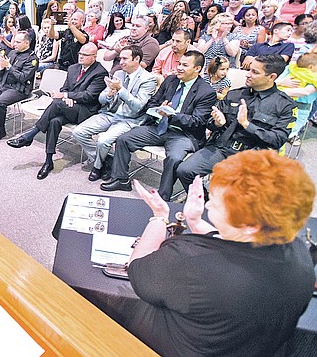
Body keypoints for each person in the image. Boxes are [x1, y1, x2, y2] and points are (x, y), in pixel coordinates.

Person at [125, 149, 315, 356]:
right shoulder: (300, 257)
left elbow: (137, 269)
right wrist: (195, 222)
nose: (207, 204)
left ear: (249, 224)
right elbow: (236, 244)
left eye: (215, 201)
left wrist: (159, 217)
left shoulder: (191, 262)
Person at [101, 51, 216, 201]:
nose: (179, 68)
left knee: (174, 158)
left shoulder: (206, 92)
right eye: (179, 63)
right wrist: (158, 109)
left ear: (197, 69)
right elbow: (152, 103)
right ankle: (121, 179)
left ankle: (163, 197)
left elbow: (197, 121)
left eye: (185, 65)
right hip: (158, 127)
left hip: (183, 134)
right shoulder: (170, 81)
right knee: (123, 139)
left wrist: (172, 116)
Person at [178, 54, 295, 192]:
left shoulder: (285, 105)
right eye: (249, 70)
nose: (248, 75)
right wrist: (217, 123)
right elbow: (209, 122)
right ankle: (204, 202)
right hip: (222, 148)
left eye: (255, 72)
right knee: (185, 170)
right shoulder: (235, 94)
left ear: (272, 77)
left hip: (254, 156)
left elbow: (278, 139)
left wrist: (247, 125)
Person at [7, 43, 107, 179]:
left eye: (85, 55)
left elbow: (89, 96)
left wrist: (67, 96)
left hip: (85, 111)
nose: (81, 56)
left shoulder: (100, 72)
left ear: (94, 57)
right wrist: (66, 96)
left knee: (56, 103)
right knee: (54, 121)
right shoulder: (73, 68)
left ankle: (30, 135)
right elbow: (65, 88)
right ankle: (48, 161)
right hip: (68, 107)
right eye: (80, 54)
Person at [72, 45, 157, 182]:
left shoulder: (148, 79)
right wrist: (110, 95)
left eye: (124, 58)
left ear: (136, 59)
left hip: (129, 119)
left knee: (103, 141)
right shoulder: (118, 74)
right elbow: (101, 98)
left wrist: (121, 90)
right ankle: (105, 161)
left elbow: (137, 107)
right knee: (78, 131)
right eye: (120, 58)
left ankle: (98, 167)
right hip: (109, 113)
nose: (121, 62)